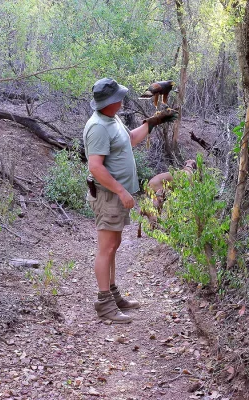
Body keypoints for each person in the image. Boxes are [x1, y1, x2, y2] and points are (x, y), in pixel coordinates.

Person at [83, 77, 178, 324]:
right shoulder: (98, 127)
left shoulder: (111, 119)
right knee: (106, 248)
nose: (123, 100)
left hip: (114, 194)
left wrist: (153, 122)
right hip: (107, 195)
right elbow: (95, 167)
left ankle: (112, 294)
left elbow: (130, 140)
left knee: (113, 246)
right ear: (110, 102)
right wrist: (122, 192)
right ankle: (104, 304)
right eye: (119, 97)